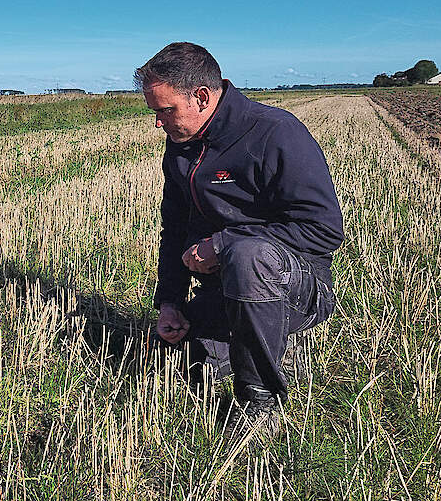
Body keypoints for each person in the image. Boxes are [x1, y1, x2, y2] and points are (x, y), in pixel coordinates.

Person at [136, 42, 344, 436]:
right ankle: (267, 347)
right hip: (225, 290)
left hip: (297, 286)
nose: (159, 123)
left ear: (201, 97)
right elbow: (175, 229)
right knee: (172, 361)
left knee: (249, 254)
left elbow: (324, 229)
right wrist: (170, 303)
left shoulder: (275, 133)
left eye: (165, 110)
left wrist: (224, 244)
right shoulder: (181, 147)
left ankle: (260, 402)